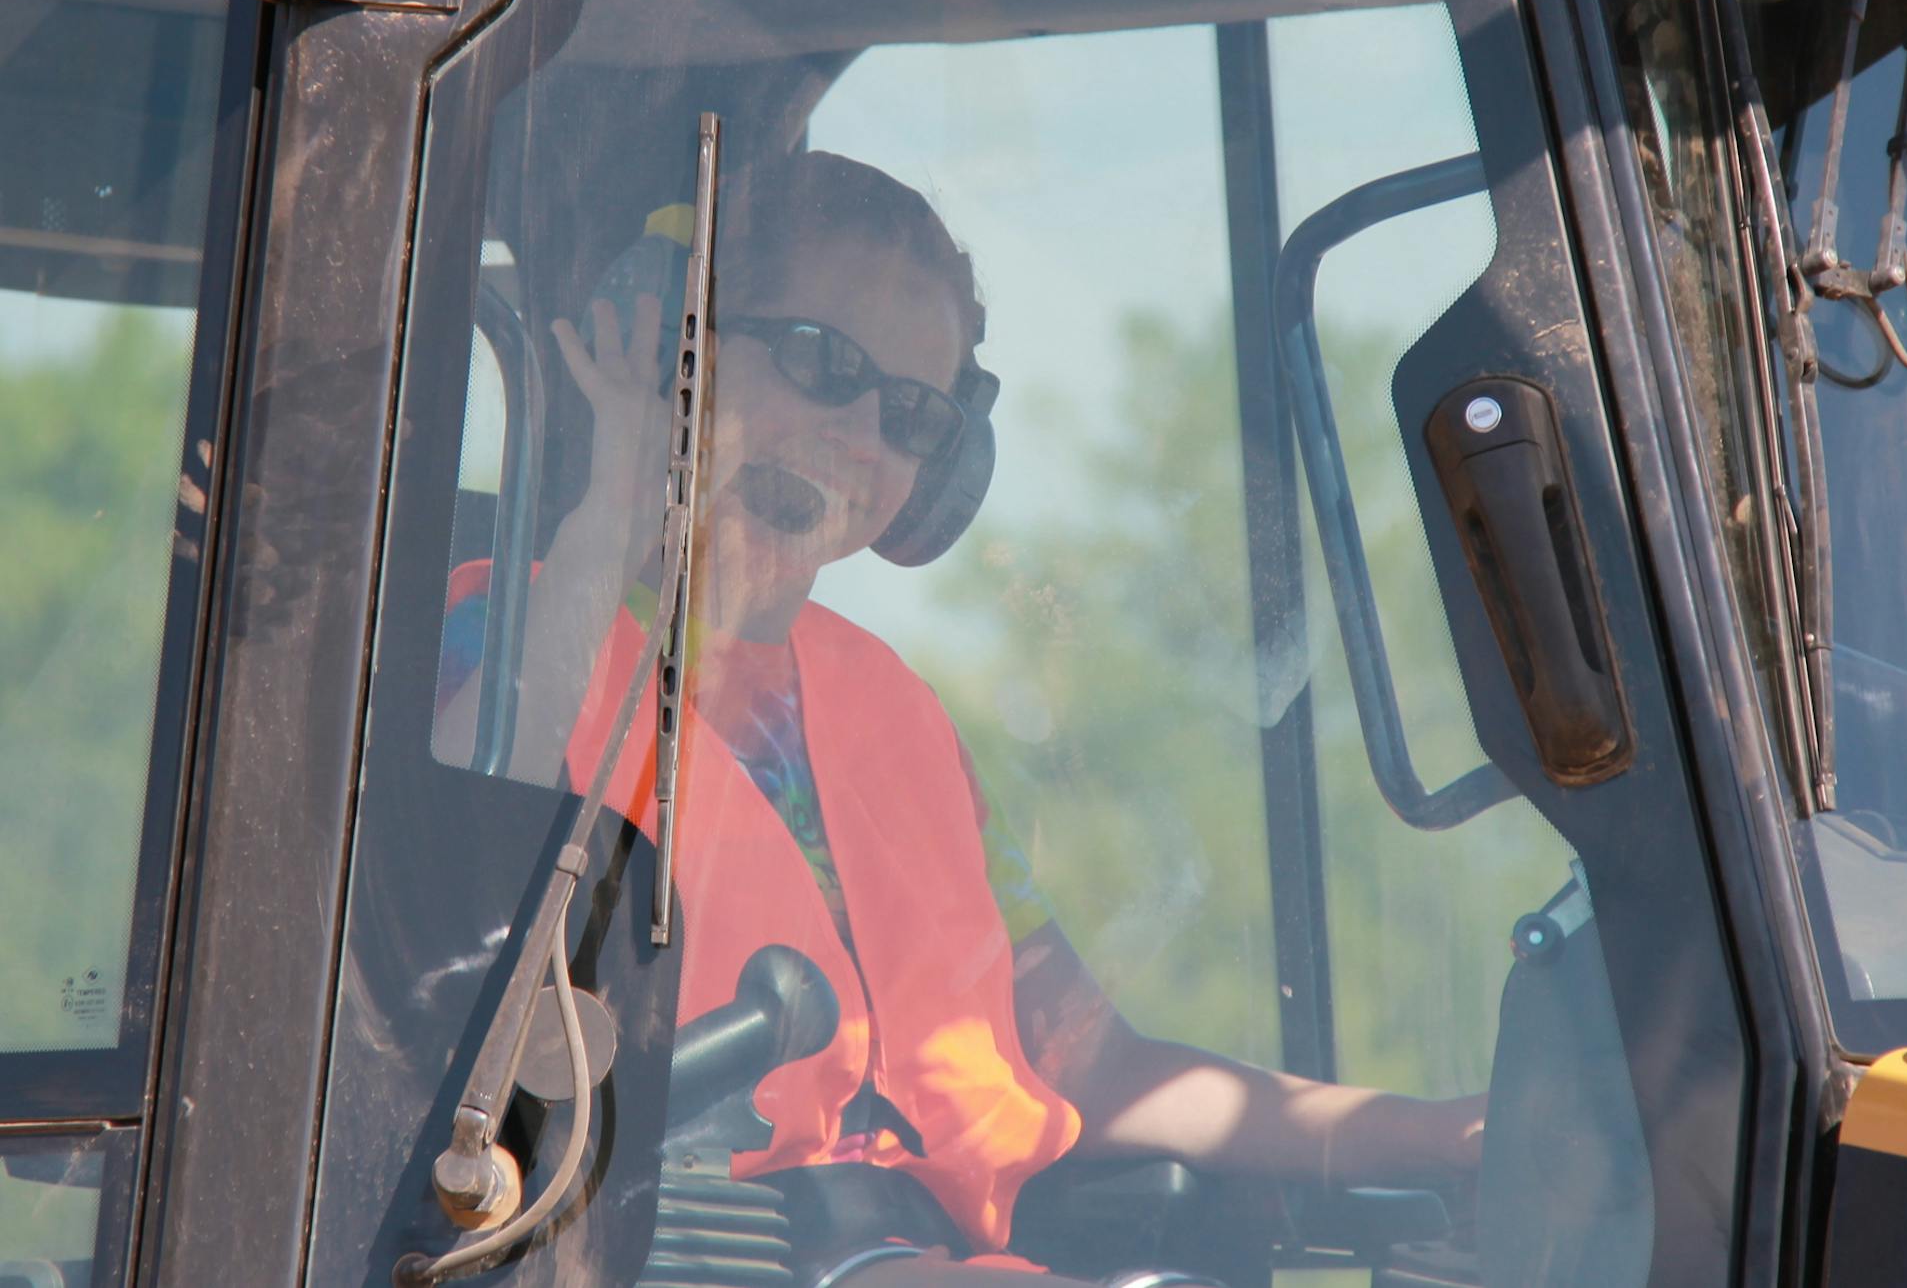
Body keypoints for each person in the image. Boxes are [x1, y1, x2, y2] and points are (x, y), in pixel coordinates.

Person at [437, 150, 1485, 1285]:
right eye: (817, 362)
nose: (860, 438)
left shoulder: (899, 717)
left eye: (911, 416)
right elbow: (425, 875)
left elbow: (1088, 1056)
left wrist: (1440, 1131)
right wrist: (618, 512)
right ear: (665, 338)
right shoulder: (514, 638)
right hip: (671, 1250)